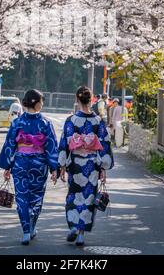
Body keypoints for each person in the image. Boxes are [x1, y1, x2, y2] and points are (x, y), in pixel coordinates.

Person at [0, 89, 58, 245]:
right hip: (39, 165)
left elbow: (10, 145)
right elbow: (51, 147)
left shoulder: (17, 123)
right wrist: (54, 168)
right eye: (41, 102)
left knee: (22, 198)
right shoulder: (45, 123)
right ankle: (32, 227)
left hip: (20, 164)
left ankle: (25, 231)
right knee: (36, 198)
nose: (42, 104)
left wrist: (7, 166)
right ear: (36, 104)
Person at [58, 85, 114, 247]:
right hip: (92, 165)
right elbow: (104, 144)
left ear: (77, 99)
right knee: (89, 197)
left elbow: (65, 144)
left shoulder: (71, 120)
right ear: (91, 100)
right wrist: (103, 167)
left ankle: (74, 227)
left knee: (74, 195)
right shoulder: (98, 121)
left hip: (75, 163)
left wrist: (61, 166)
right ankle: (81, 234)